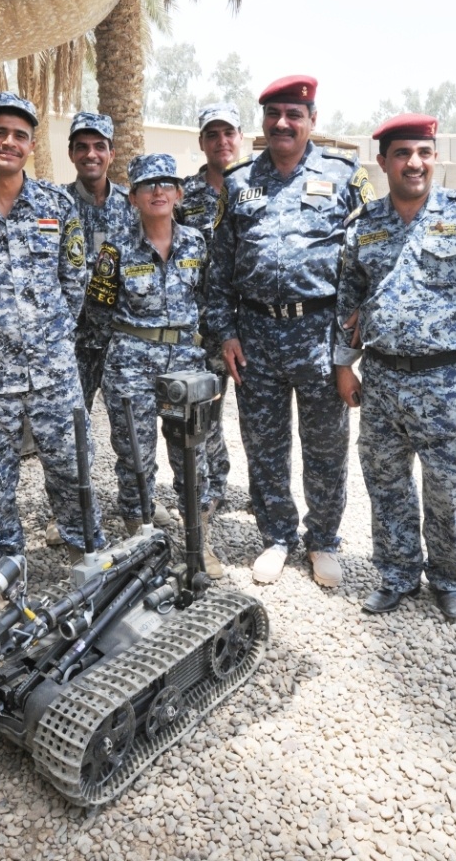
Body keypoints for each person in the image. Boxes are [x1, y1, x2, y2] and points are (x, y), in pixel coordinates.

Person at [0, 92, 104, 619]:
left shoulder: (58, 207)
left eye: (20, 135)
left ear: (30, 146)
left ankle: (83, 554)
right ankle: (4, 571)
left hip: (54, 368)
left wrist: (49, 333)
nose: (9, 142)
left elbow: (76, 279)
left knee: (72, 463)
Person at [334, 113, 456, 621]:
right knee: (385, 481)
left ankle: (448, 577)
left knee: (445, 485)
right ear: (384, 161)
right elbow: (348, 299)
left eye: (424, 153)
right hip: (383, 378)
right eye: (404, 154)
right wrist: (345, 366)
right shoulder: (364, 225)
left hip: (443, 381)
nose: (415, 163)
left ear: (434, 158)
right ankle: (396, 574)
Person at [207, 75, 375, 586]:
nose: (283, 123)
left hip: (320, 333)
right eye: (274, 113)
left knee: (325, 445)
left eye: (294, 115)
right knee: (263, 443)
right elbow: (218, 269)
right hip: (255, 334)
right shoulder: (239, 183)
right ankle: (277, 535)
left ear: (311, 121)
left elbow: (371, 252)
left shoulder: (346, 176)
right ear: (263, 121)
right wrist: (225, 332)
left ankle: (323, 539)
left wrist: (358, 328)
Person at [85, 153, 219, 571]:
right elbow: (98, 309)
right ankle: (141, 545)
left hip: (184, 360)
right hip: (130, 363)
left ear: (179, 193)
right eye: (147, 185)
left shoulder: (197, 242)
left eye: (166, 183)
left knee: (192, 455)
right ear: (133, 197)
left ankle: (200, 542)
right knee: (135, 456)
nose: (157, 191)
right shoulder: (115, 249)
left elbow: (206, 300)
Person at [175, 102, 245, 575]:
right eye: (212, 134)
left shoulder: (258, 187)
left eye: (229, 133)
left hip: (262, 325)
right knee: (207, 414)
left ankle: (268, 497)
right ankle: (210, 487)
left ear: (241, 137)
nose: (221, 141)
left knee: (264, 422)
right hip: (204, 329)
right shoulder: (185, 196)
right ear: (202, 142)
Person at [65, 111, 132, 412]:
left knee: (130, 428)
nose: (90, 154)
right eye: (82, 146)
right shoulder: (56, 205)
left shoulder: (133, 205)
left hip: (122, 339)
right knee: (72, 431)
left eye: (99, 146)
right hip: (73, 343)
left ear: (111, 153)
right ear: (71, 154)